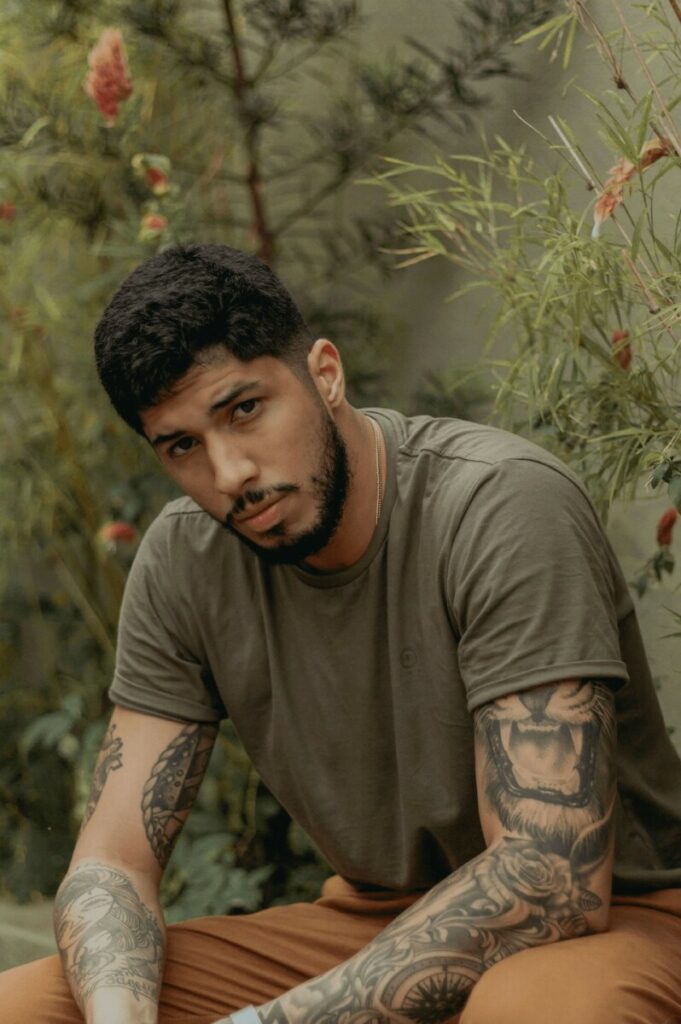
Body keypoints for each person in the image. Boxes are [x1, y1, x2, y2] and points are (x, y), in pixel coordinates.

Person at [3, 242, 681, 1024]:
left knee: (534, 1009)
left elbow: (551, 878)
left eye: (244, 410)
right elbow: (113, 860)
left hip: (621, 920)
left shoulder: (499, 507)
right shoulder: (185, 555)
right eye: (182, 446)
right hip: (376, 921)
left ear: (324, 373)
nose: (229, 474)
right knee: (29, 1007)